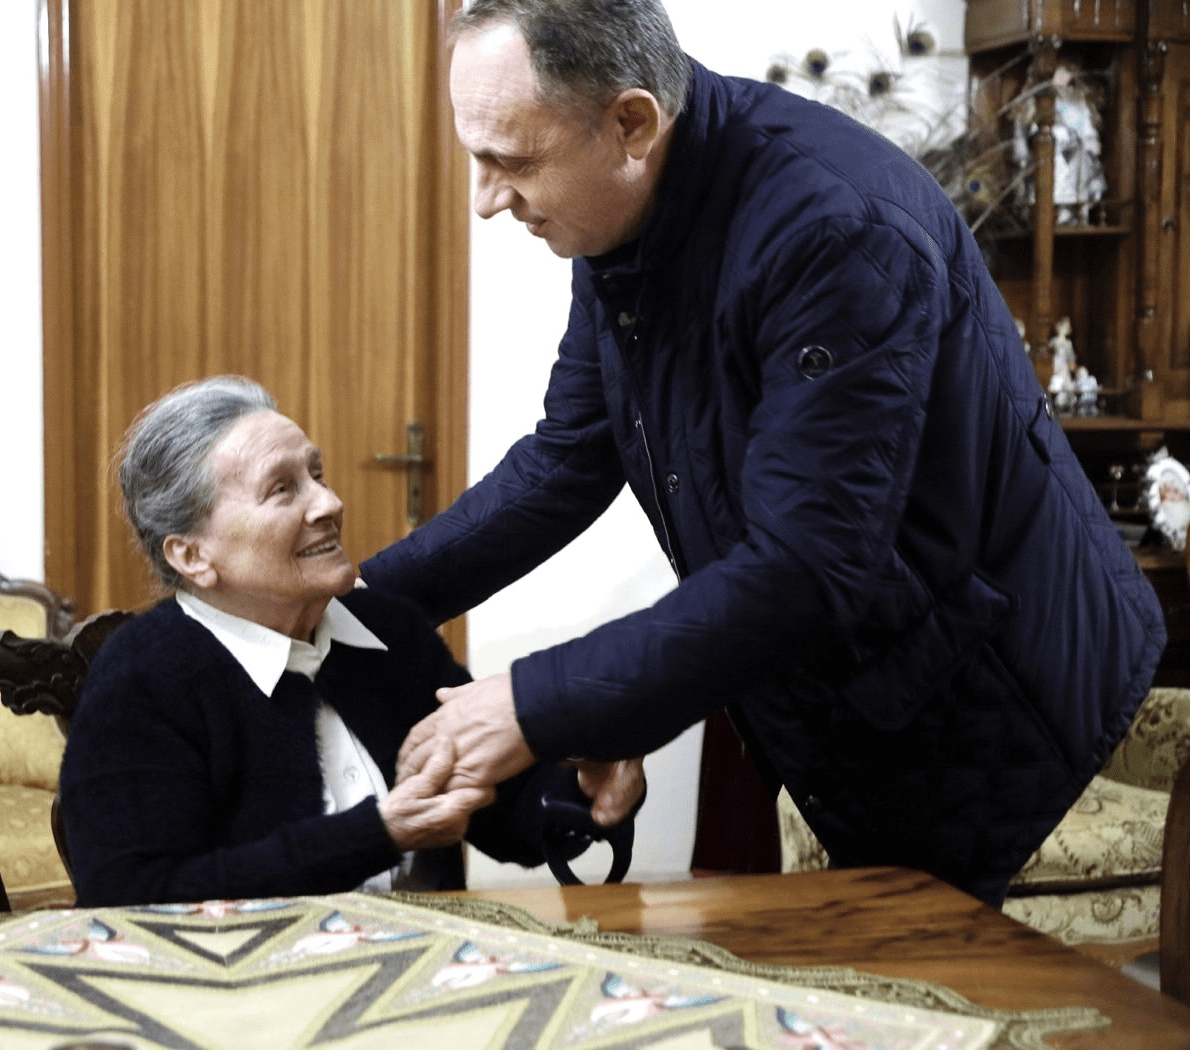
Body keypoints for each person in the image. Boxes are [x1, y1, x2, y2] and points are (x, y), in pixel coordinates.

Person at [363, 0, 1165, 907]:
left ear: (630, 124)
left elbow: (807, 565)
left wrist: (534, 704)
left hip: (1007, 721)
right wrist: (359, 603)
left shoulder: (835, 230)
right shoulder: (623, 212)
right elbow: (565, 459)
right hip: (863, 702)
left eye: (512, 161)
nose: (484, 199)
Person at [59, 375, 643, 906]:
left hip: (426, 967)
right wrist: (376, 834)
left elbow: (502, 814)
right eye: (282, 489)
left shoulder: (389, 631)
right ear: (192, 556)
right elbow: (131, 896)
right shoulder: (141, 678)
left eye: (318, 475)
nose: (330, 504)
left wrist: (582, 788)